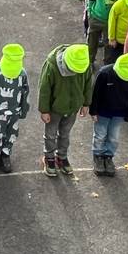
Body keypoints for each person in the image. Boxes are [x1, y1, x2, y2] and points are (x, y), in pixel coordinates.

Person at [37, 43, 92, 178]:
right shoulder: (51, 66)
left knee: (65, 134)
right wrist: (44, 110)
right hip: (54, 109)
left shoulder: (84, 63)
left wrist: (86, 103)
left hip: (72, 108)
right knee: (50, 135)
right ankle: (49, 158)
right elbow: (44, 89)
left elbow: (88, 84)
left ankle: (61, 156)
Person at [89, 50, 128, 176]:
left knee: (114, 137)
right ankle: (98, 156)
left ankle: (108, 156)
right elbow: (95, 93)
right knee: (100, 135)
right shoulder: (105, 73)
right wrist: (93, 111)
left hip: (119, 113)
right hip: (103, 111)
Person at [0, 44, 30, 173]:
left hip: (14, 112)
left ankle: (6, 153)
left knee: (11, 133)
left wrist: (24, 110)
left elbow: (25, 93)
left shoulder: (22, 74)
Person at [85, 0, 127, 70]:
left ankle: (107, 65)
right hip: (96, 18)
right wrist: (90, 12)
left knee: (108, 44)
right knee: (92, 41)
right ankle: (90, 60)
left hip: (110, 22)